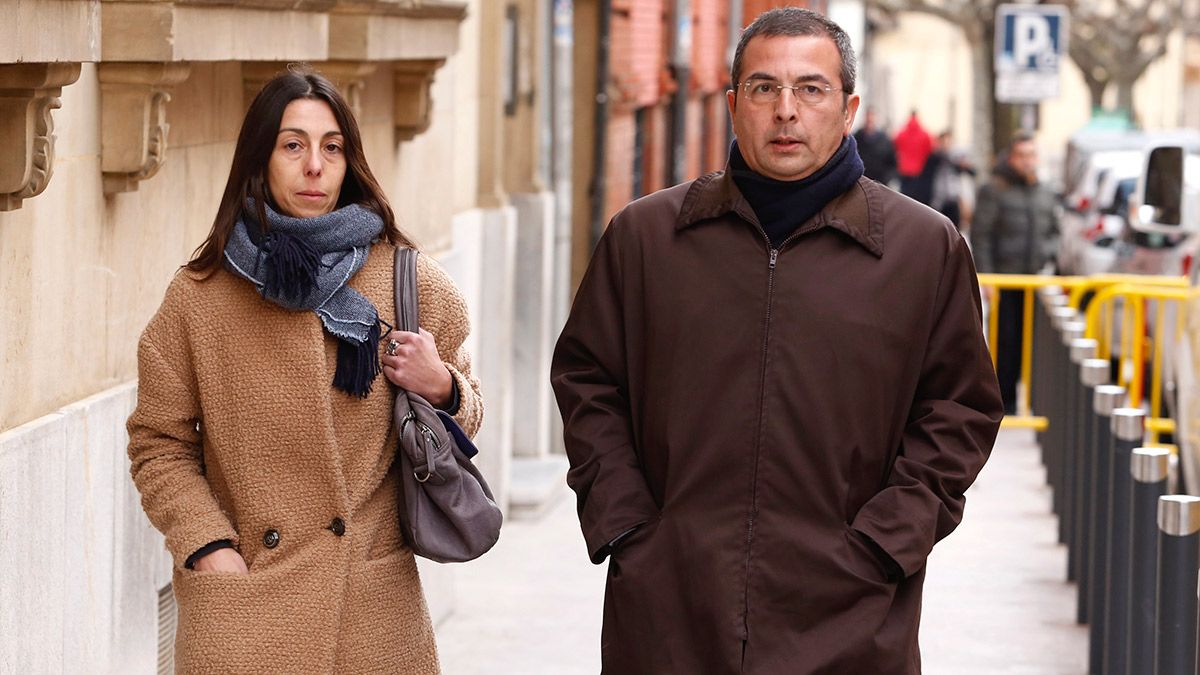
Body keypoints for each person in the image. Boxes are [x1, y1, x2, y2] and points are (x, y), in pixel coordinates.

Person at [551, 8, 1003, 673]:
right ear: (734, 105)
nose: (786, 110)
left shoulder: (922, 248)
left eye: (810, 89)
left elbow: (960, 410)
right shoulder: (646, 238)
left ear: (848, 108)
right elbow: (588, 380)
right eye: (764, 89)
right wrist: (629, 527)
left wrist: (883, 544)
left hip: (852, 616)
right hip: (671, 613)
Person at [125, 67, 483, 673]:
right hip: (246, 610)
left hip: (370, 612)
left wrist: (444, 388)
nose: (315, 165)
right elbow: (158, 443)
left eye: (332, 147)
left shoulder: (408, 282)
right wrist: (209, 546)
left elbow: (469, 418)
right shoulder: (201, 295)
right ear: (260, 158)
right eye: (293, 145)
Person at [972, 131, 1060, 415]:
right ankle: (1005, 402)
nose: (1027, 162)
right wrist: (986, 276)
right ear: (1011, 158)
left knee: (1034, 345)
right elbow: (981, 236)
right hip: (1005, 280)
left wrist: (1047, 254)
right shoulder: (995, 190)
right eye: (1022, 156)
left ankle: (1032, 402)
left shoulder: (1045, 192)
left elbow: (1055, 233)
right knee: (1006, 342)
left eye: (1031, 155)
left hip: (1034, 281)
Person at [926, 129, 975, 230]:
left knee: (955, 228)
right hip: (938, 200)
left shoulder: (956, 158)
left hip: (954, 199)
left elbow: (972, 172)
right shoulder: (935, 157)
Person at [894, 109, 934, 204]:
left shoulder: (901, 133)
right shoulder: (925, 134)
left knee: (904, 200)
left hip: (904, 171)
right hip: (919, 172)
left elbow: (895, 147)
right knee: (917, 202)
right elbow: (930, 150)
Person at [853, 106, 897, 186]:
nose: (870, 119)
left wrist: (887, 178)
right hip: (860, 185)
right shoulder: (856, 138)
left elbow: (892, 161)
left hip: (879, 184)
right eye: (868, 117)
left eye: (872, 117)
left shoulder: (884, 139)